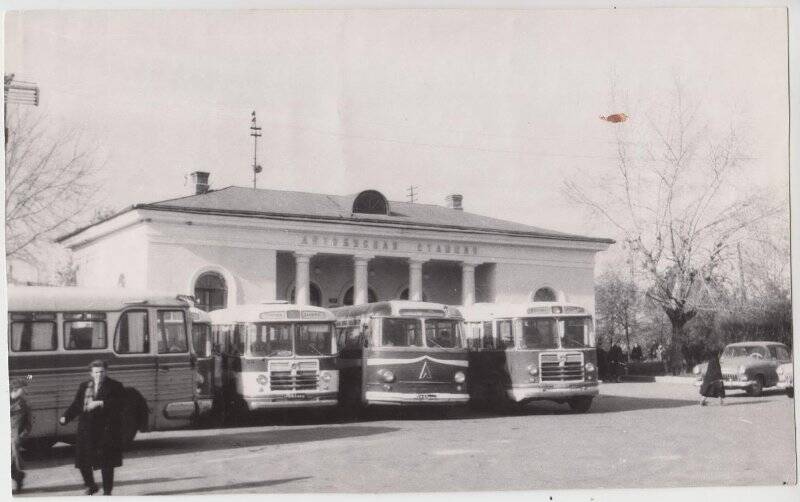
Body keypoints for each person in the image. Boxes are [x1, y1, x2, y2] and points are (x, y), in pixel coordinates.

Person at [59, 360, 125, 495]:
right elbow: (77, 404)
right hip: (87, 429)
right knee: (83, 461)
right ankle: (91, 485)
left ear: (106, 372)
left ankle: (107, 493)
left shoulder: (115, 386)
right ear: (91, 373)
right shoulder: (84, 386)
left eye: (101, 372)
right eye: (96, 372)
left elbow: (121, 404)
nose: (99, 375)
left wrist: (101, 403)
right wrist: (66, 417)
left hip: (106, 430)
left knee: (107, 464)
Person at [10, 377, 32, 494]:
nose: (25, 392)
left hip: (14, 438)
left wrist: (22, 436)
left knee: (10, 460)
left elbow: (29, 424)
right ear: (16, 389)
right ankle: (19, 476)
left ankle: (18, 477)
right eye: (23, 389)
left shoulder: (24, 404)